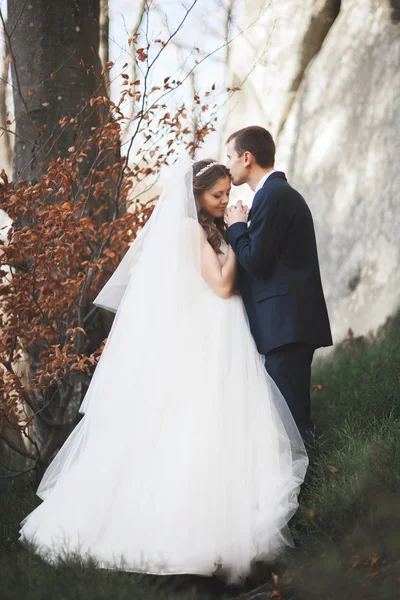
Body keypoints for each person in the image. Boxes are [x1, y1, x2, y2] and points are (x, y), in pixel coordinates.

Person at [19, 157, 308, 584]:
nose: (225, 200)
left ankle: (221, 527)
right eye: (217, 195)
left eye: (228, 194)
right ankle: (189, 536)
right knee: (196, 429)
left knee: (216, 429)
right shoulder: (189, 229)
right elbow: (224, 285)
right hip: (210, 336)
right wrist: (236, 230)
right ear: (195, 196)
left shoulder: (199, 229)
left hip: (218, 334)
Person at [225, 126, 333, 442]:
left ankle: (312, 483)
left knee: (292, 423)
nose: (228, 164)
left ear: (247, 158)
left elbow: (256, 260)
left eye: (230, 157)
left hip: (286, 325)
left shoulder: (273, 196)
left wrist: (235, 228)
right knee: (287, 418)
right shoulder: (274, 195)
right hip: (285, 325)